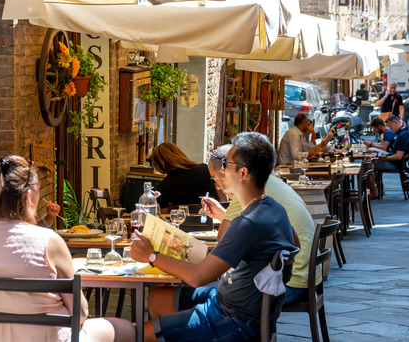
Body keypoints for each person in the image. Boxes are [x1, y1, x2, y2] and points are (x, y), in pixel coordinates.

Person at [131, 133, 298, 342]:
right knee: (158, 297)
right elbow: (294, 244)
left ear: (242, 173)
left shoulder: (247, 223)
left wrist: (151, 256)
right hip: (233, 304)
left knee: (136, 334)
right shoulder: (275, 209)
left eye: (226, 164)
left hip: (232, 320)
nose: (221, 170)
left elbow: (198, 277)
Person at [0, 156, 135, 342]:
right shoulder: (49, 241)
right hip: (50, 338)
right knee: (126, 329)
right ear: (29, 197)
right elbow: (81, 312)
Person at [202, 144, 316, 305]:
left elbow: (223, 241)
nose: (217, 186)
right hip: (304, 277)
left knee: (217, 294)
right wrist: (223, 215)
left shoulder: (246, 187)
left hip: (288, 284)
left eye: (215, 178)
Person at [150, 142, 219, 208]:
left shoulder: (163, 187)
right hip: (213, 217)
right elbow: (221, 195)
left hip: (182, 219)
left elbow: (162, 212)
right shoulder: (204, 169)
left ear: (160, 164)